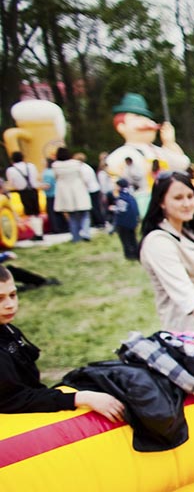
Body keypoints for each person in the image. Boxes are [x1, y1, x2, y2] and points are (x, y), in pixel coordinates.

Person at [0, 265, 125, 419]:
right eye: (0, 298)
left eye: (12, 295)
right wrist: (79, 398)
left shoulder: (8, 329)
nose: (10, 304)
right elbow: (11, 400)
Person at [139, 172, 194, 336]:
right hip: (189, 335)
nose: (187, 203)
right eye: (178, 198)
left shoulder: (186, 233)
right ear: (161, 202)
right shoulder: (158, 242)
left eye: (190, 196)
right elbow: (185, 293)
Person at [50, 147, 93, 242]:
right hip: (79, 189)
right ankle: (86, 233)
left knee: (72, 216)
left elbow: (55, 178)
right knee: (85, 214)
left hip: (65, 193)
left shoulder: (55, 166)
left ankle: (75, 237)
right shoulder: (76, 164)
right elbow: (83, 177)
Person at [4, 151, 44, 240]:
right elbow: (36, 178)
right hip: (34, 191)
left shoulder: (11, 170)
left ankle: (37, 234)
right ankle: (40, 232)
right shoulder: (31, 166)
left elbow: (11, 183)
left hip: (23, 192)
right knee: (37, 213)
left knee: (30, 214)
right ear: (23, 158)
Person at [111, 177, 140, 260]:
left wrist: (113, 208)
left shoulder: (122, 197)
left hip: (124, 223)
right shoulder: (130, 195)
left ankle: (129, 255)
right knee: (133, 238)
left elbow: (121, 209)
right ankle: (136, 252)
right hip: (132, 222)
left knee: (125, 240)